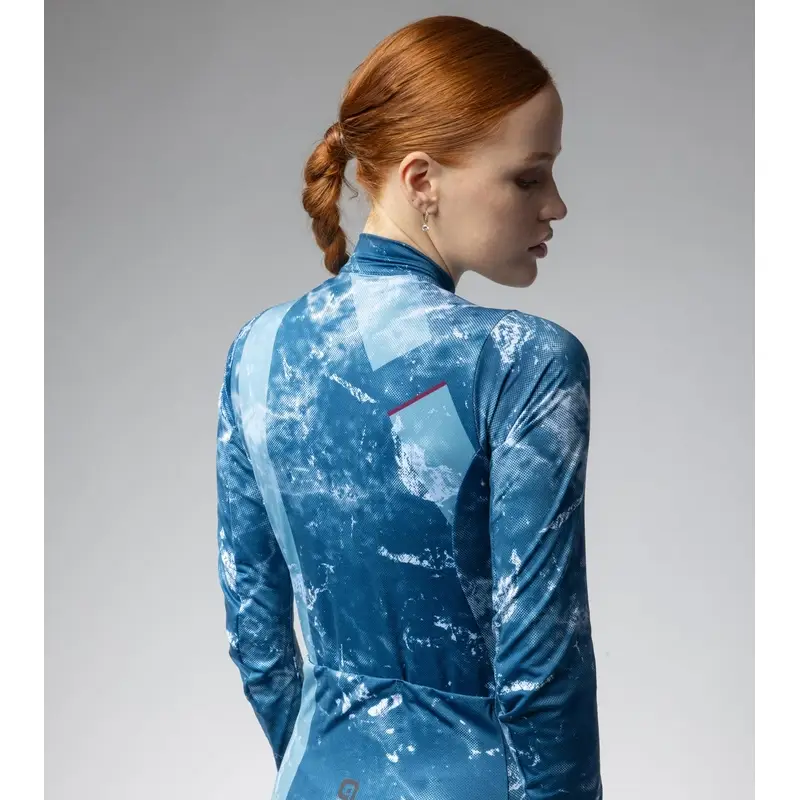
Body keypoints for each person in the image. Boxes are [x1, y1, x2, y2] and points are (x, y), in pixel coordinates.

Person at [215, 14, 603, 800]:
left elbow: (257, 640)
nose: (557, 205)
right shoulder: (520, 361)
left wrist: (327, 766)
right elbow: (541, 670)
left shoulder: (257, 350)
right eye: (529, 178)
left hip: (317, 779)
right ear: (422, 180)